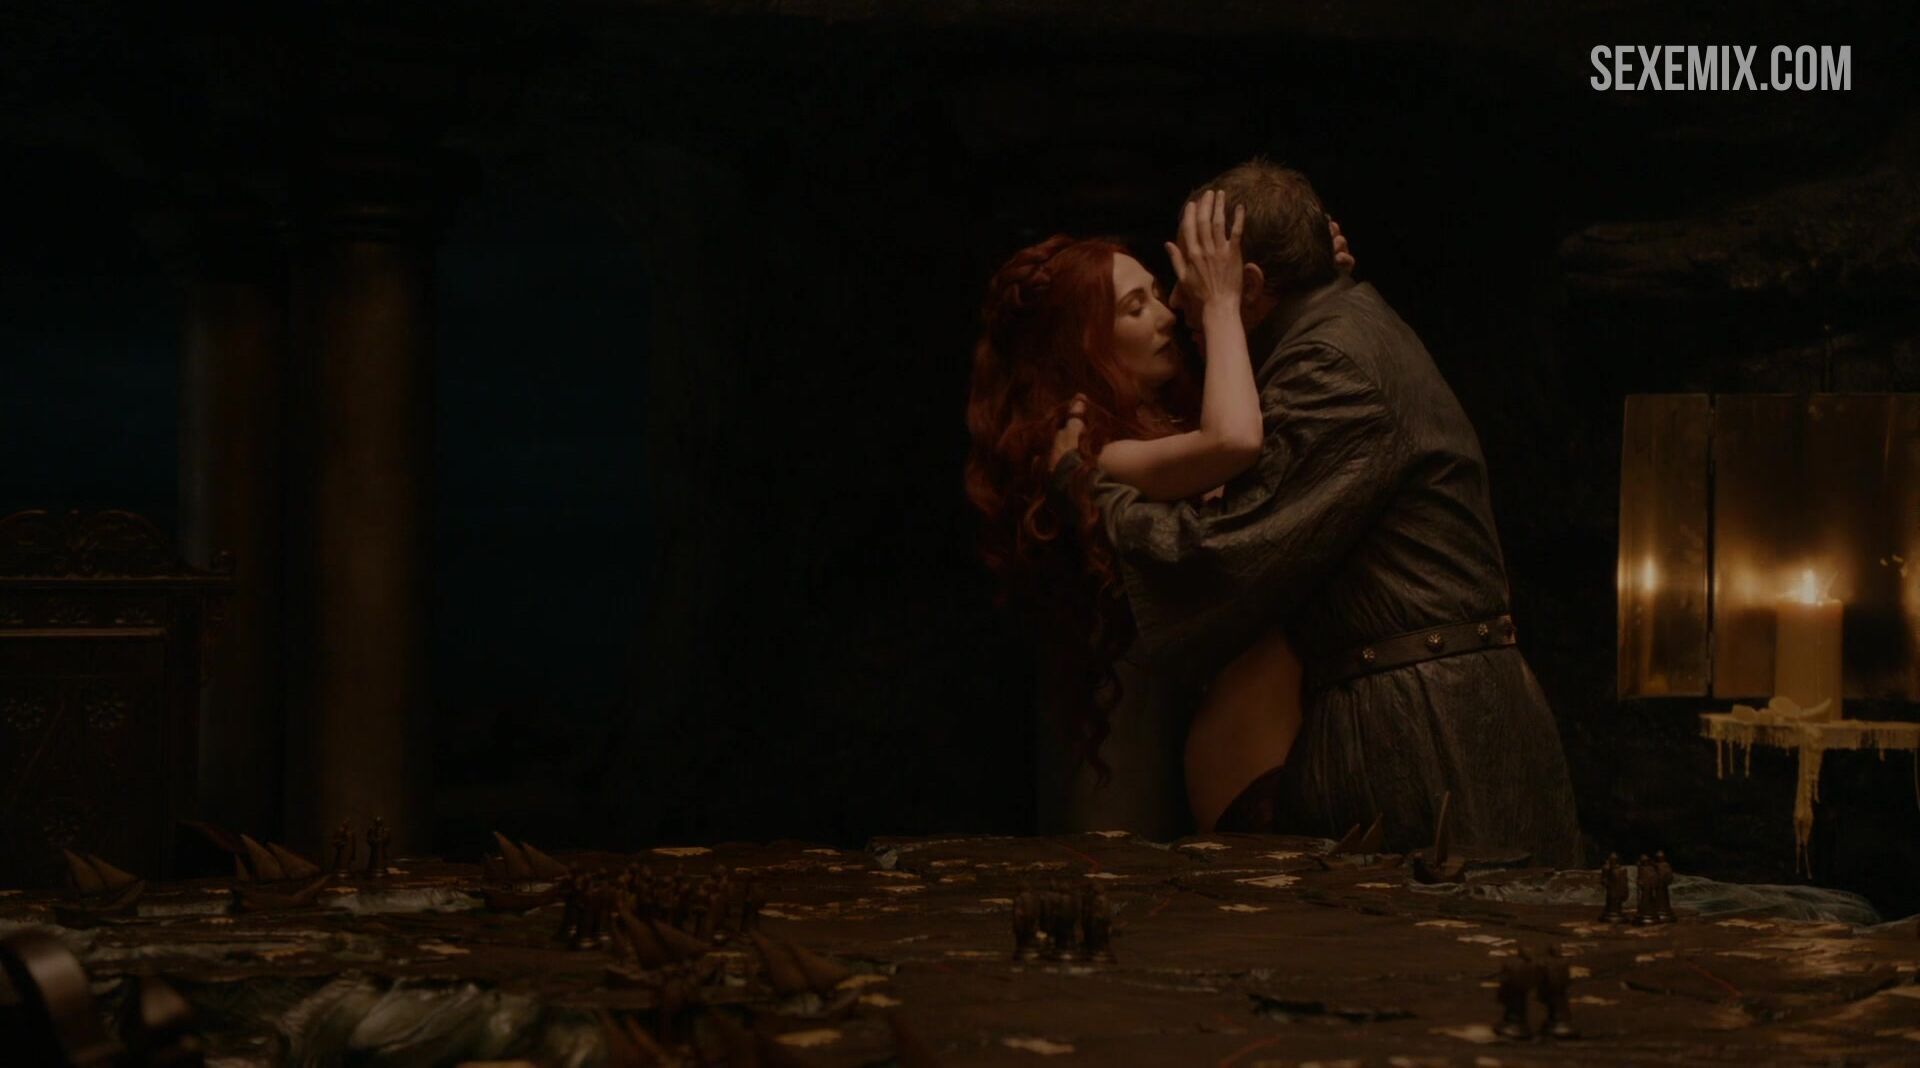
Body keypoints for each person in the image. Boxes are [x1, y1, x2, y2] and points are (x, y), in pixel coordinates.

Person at [1052, 160, 1581, 865]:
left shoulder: (1333, 365)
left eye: (1194, 279)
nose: (1178, 302)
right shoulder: (1331, 330)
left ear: (1252, 286)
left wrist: (1092, 490)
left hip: (1430, 734)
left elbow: (1223, 551)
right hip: (1424, 716)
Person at [964, 193, 1350, 835]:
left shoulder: (1159, 419)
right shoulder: (1080, 444)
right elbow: (1234, 441)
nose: (1168, 313)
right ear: (1082, 342)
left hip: (1201, 722)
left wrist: (1303, 283)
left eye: (1155, 293)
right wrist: (1223, 303)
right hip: (1122, 740)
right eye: (1134, 306)